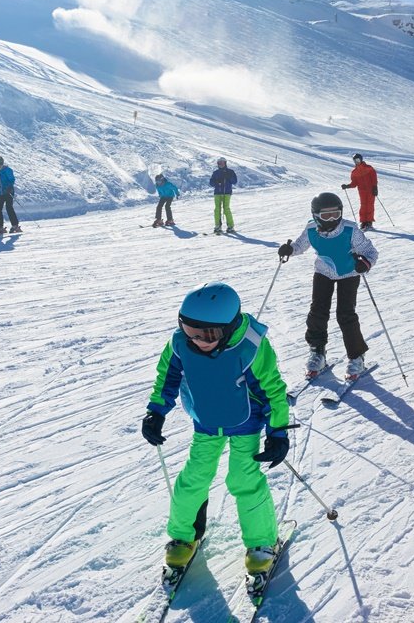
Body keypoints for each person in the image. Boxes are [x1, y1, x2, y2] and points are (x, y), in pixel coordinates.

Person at [140, 282, 290, 579]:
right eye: (189, 330)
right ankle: (184, 535)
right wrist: (155, 412)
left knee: (243, 479)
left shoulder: (250, 346)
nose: (197, 341)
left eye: (207, 334)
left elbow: (273, 390)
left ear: (229, 326)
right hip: (206, 423)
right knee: (193, 478)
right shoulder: (180, 345)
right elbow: (166, 379)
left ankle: (261, 543)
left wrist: (277, 432)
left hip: (245, 423)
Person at [277, 192, 379, 381]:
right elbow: (300, 245)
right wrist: (290, 249)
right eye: (326, 216)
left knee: (345, 314)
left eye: (336, 214)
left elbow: (370, 251)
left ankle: (356, 356)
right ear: (316, 216)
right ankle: (317, 352)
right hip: (323, 272)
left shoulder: (350, 229)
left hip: (349, 273)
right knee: (317, 312)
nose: (332, 219)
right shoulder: (310, 229)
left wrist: (365, 263)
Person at [341, 153, 379, 229]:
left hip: (370, 190)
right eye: (355, 160)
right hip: (362, 191)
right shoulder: (354, 172)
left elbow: (374, 178)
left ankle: (369, 222)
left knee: (370, 205)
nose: (357, 162)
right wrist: (347, 186)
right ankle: (363, 222)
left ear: (361, 159)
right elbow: (354, 183)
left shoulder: (369, 168)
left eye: (358, 160)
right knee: (363, 205)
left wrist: (375, 187)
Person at [0, 155, 21, 235]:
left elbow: (12, 180)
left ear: (1, 163)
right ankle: (0, 227)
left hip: (8, 192)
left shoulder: (7, 170)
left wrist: (9, 187)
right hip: (0, 193)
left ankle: (15, 225)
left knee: (9, 208)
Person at [210, 158, 238, 234]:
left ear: (225, 163)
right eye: (219, 163)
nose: (220, 164)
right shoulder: (216, 173)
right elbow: (211, 183)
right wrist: (216, 182)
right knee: (217, 209)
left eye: (222, 163)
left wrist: (229, 177)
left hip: (227, 192)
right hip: (217, 193)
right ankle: (217, 226)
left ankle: (230, 226)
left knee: (226, 208)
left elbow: (234, 181)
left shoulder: (230, 172)